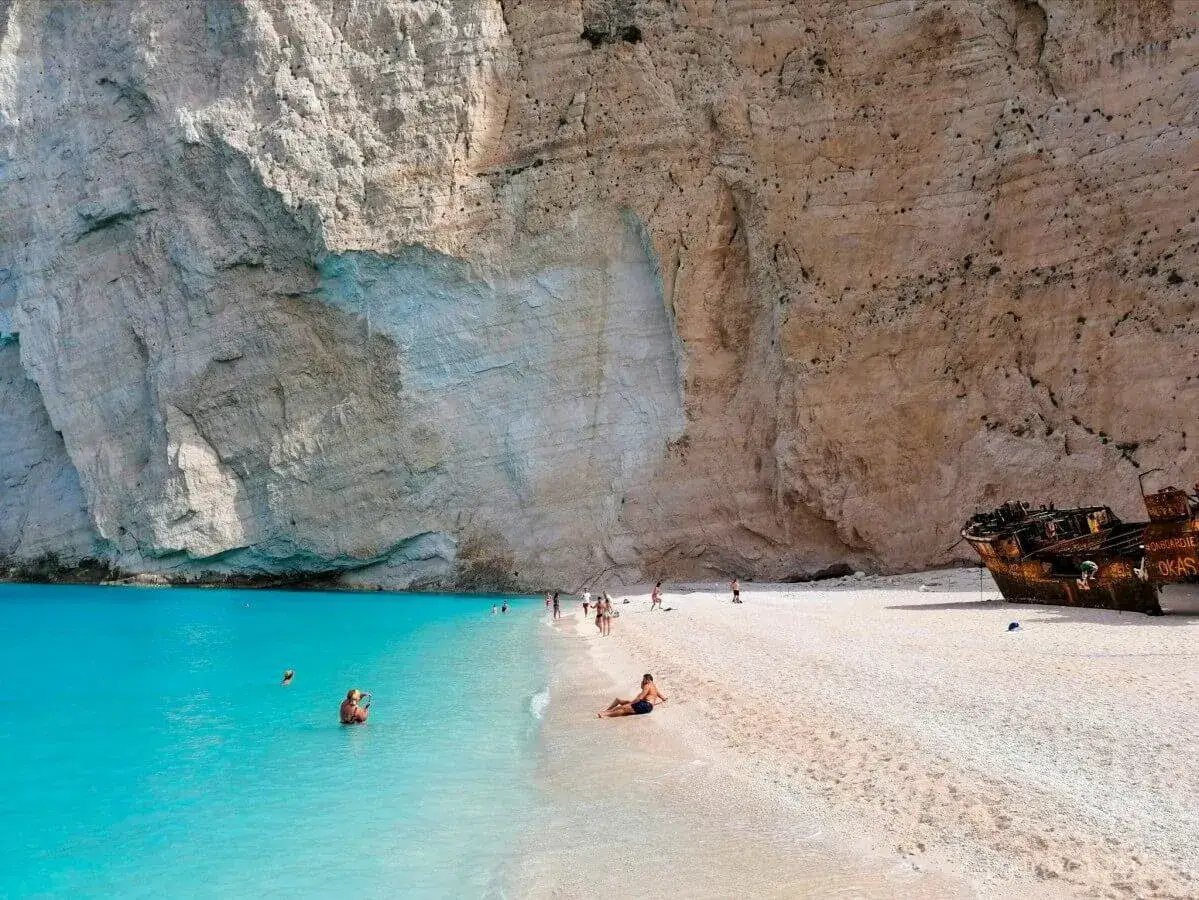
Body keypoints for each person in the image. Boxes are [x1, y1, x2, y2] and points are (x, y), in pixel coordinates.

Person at [599, 674, 667, 718]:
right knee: (619, 700)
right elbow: (662, 697)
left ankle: (607, 715)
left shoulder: (647, 686)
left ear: (647, 680)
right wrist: (664, 699)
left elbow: (640, 697)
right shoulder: (653, 686)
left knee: (623, 708)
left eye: (643, 680)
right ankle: (608, 710)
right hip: (646, 705)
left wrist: (630, 704)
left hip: (646, 706)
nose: (642, 681)